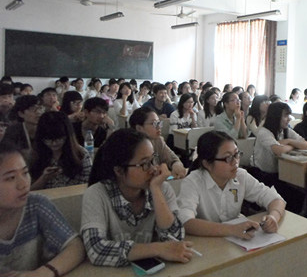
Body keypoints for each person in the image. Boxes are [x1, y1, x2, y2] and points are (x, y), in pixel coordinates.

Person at [80, 129, 193, 266]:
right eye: (145, 164)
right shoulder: (96, 194)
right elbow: (96, 250)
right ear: (119, 170)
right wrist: (158, 249)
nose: (154, 169)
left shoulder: (160, 188)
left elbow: (175, 239)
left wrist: (156, 190)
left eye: (153, 160)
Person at [177, 131, 286, 237]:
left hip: (236, 241)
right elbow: (186, 222)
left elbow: (276, 199)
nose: (235, 162)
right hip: (207, 242)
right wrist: (231, 229)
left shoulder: (240, 175)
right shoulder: (193, 182)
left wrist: (273, 217)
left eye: (236, 154)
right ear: (207, 164)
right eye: (228, 158)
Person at [0, 142, 86, 275]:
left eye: (25, 173)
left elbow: (75, 246)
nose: (23, 184)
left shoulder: (36, 205)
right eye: (11, 178)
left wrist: (43, 273)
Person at [252, 102, 307, 212]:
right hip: (263, 176)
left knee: (301, 192)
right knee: (295, 195)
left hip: (280, 174)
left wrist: (288, 141)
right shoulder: (264, 132)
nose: (289, 119)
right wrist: (292, 146)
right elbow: (279, 151)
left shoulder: (286, 130)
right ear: (276, 116)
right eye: (285, 116)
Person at [30, 111, 92, 190]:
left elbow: (87, 185)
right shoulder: (35, 155)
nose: (54, 143)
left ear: (68, 136)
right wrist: (44, 178)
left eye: (59, 138)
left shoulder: (81, 154)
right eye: (48, 139)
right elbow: (28, 193)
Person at [129, 108, 187, 178]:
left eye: (159, 123)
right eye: (154, 123)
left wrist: (176, 164)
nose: (159, 127)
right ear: (139, 128)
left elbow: (173, 159)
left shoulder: (158, 140)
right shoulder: (132, 147)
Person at [3, 95, 43, 162]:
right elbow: (6, 155)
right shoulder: (12, 132)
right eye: (33, 109)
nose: (39, 112)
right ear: (21, 114)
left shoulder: (46, 128)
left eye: (40, 108)